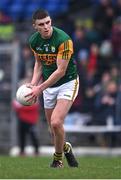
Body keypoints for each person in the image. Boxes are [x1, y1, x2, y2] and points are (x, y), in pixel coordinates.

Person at [26, 9, 79, 168]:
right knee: (53, 131)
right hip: (48, 87)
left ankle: (57, 160)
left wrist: (39, 88)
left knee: (56, 123)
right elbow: (39, 63)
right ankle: (66, 147)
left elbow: (61, 71)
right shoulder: (34, 41)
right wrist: (33, 83)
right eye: (41, 24)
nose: (46, 27)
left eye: (48, 22)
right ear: (35, 26)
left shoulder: (64, 40)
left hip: (67, 83)